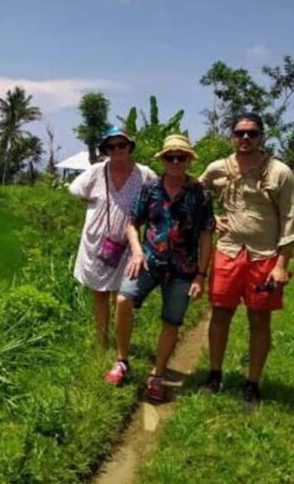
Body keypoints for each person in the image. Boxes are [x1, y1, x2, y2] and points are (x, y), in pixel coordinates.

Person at [199, 113, 294, 409]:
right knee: (220, 314)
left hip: (265, 256)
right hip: (228, 250)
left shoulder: (279, 172)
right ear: (232, 136)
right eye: (240, 133)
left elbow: (290, 221)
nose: (245, 138)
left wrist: (281, 265)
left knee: (259, 319)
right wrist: (210, 217)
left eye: (252, 133)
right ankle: (214, 375)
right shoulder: (219, 167)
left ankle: (252, 383)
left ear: (262, 137)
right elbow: (196, 192)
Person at [105, 134, 214, 403]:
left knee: (171, 320)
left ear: (189, 160)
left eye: (181, 157)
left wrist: (201, 274)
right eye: (170, 157)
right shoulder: (150, 188)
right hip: (149, 260)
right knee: (123, 299)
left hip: (183, 269)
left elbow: (206, 234)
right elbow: (133, 222)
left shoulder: (199, 193)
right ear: (163, 160)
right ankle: (122, 360)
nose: (176, 161)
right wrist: (137, 251)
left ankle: (157, 375)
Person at [69, 127, 156, 347]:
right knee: (99, 295)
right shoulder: (97, 171)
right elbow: (75, 189)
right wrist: (94, 203)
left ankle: (120, 346)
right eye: (111, 146)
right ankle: (101, 342)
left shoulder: (144, 174)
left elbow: (160, 196)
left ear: (130, 147)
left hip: (129, 244)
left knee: (122, 296)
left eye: (122, 145)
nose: (117, 150)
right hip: (98, 243)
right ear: (106, 150)